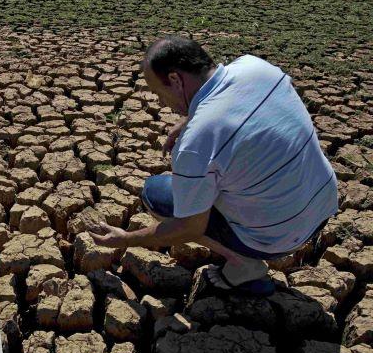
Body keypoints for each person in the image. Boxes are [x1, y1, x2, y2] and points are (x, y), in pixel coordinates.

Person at [90, 36, 338, 295]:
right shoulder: (256, 67)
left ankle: (244, 265)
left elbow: (189, 227)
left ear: (175, 80)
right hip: (323, 206)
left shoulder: (197, 141)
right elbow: (239, 106)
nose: (161, 103)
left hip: (278, 238)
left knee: (157, 193)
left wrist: (126, 239)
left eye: (157, 92)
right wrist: (191, 119)